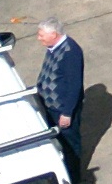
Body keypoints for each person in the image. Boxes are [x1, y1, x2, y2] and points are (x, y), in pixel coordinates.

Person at [34, 21, 85, 172]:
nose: (39, 38)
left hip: (62, 109)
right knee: (57, 140)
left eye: (41, 35)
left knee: (69, 144)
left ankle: (74, 176)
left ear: (53, 34)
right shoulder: (53, 47)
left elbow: (74, 85)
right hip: (51, 106)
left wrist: (67, 113)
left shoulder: (70, 53)